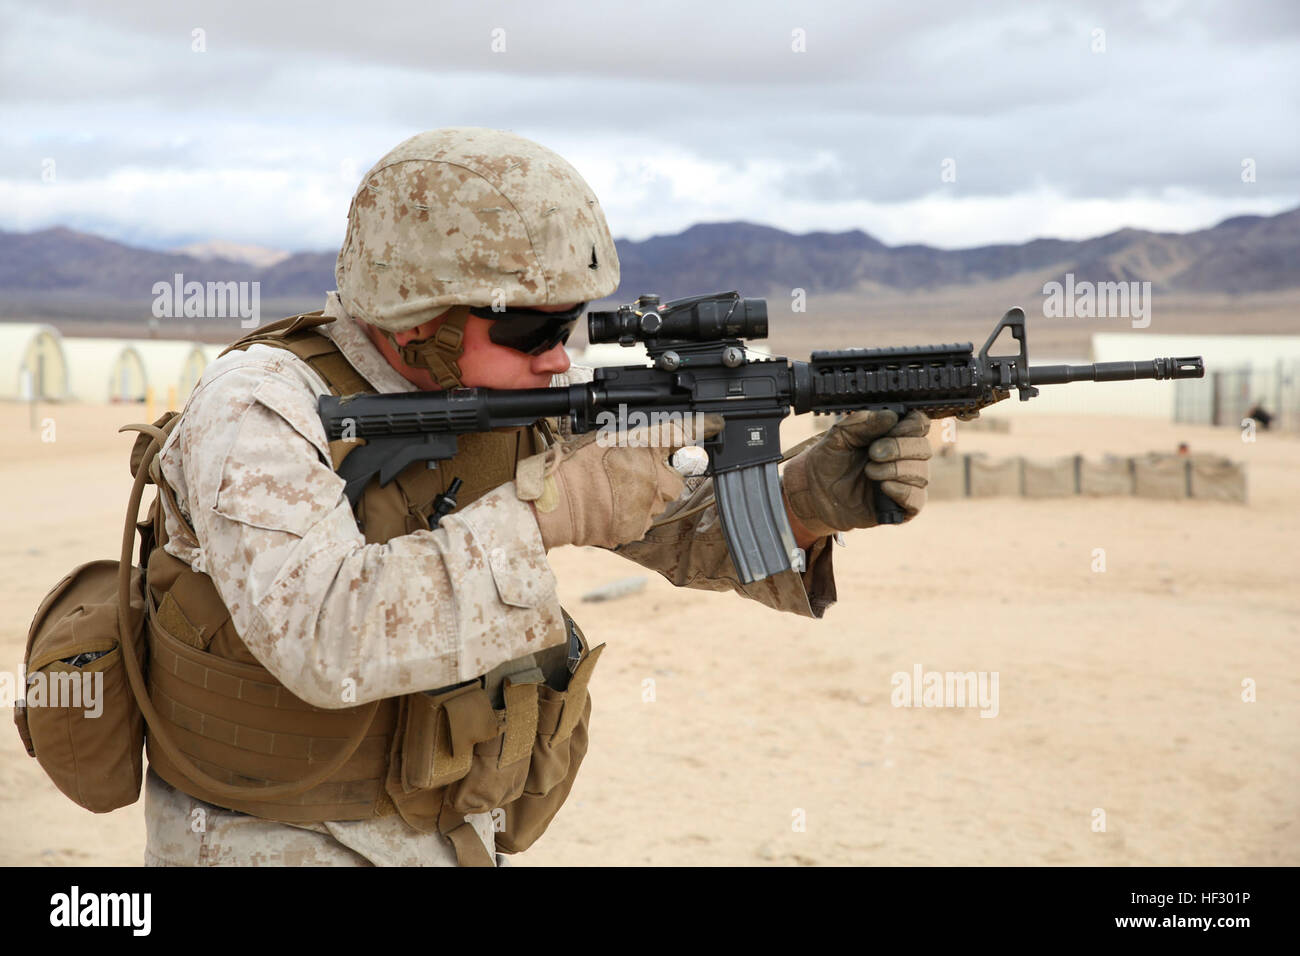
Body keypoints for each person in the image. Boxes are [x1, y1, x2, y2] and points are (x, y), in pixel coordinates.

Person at [139, 127, 932, 867]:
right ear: (422, 321)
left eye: (570, 327)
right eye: (531, 333)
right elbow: (323, 638)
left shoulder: (517, 400)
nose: (559, 359)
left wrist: (806, 501)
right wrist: (549, 510)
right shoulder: (260, 407)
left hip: (450, 829)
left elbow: (675, 529)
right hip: (271, 838)